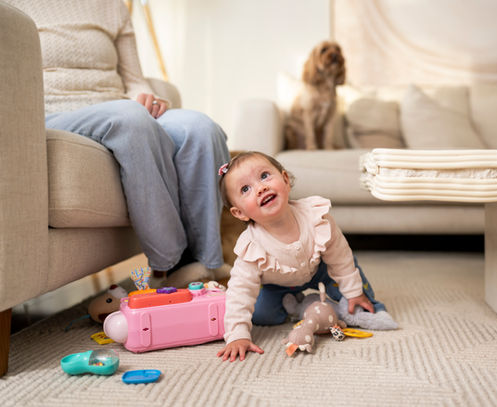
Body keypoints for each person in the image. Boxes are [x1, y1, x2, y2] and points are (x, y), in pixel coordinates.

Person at [7, 0, 231, 283]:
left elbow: (134, 79)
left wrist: (150, 98)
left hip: (119, 106)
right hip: (51, 113)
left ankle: (207, 262)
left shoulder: (111, 5)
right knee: (131, 118)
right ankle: (171, 264)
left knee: (200, 128)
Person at [216, 151, 397, 362]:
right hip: (277, 285)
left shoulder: (316, 217)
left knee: (356, 291)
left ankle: (362, 309)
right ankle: (297, 305)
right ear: (240, 213)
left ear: (285, 180)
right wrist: (237, 335)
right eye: (245, 189)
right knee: (262, 316)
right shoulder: (251, 248)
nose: (261, 188)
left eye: (264, 176)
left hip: (322, 270)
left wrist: (353, 291)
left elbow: (341, 259)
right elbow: (240, 292)